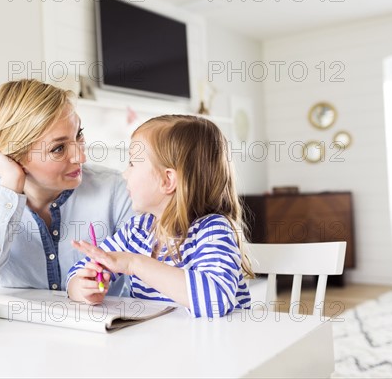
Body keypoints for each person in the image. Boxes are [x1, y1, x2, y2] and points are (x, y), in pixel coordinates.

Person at [0, 79, 133, 293]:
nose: (81, 156)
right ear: (14, 156)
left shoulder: (115, 190)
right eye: (58, 149)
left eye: (79, 134)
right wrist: (9, 185)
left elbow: (150, 285)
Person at [66, 115, 253, 318]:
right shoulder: (137, 230)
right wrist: (85, 288)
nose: (124, 174)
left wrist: (134, 264)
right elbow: (78, 272)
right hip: (162, 344)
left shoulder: (213, 231)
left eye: (132, 164)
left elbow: (215, 300)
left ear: (167, 180)